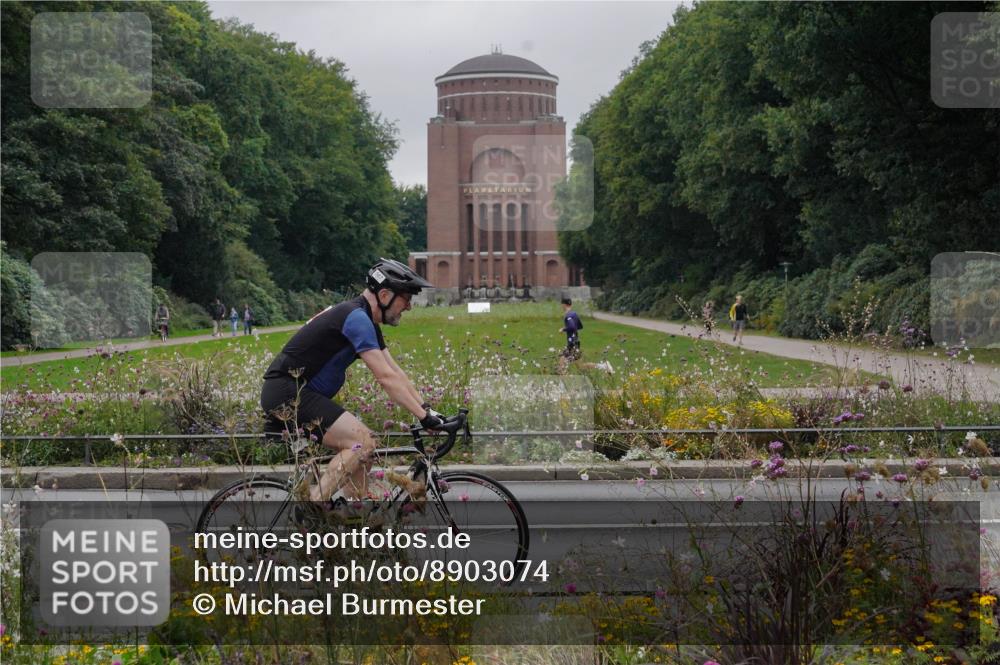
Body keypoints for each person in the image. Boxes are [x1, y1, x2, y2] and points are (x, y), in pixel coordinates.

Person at [260, 258, 443, 507]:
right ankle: (314, 507)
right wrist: (422, 417)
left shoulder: (365, 320)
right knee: (361, 442)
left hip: (298, 393)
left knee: (365, 453)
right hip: (287, 391)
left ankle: (358, 522)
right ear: (385, 294)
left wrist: (428, 409)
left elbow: (395, 372)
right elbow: (385, 378)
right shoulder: (356, 319)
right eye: (406, 298)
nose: (409, 306)